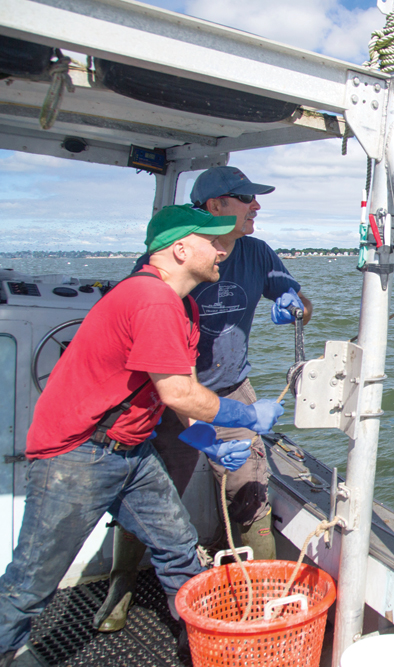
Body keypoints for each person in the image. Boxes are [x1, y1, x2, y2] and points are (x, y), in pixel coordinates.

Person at [0, 205, 285, 666]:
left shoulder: (184, 306)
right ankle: (8, 649)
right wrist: (248, 416)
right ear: (178, 249)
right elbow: (178, 392)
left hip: (132, 451)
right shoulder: (150, 300)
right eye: (213, 242)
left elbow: (176, 390)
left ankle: (202, 643)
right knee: (33, 577)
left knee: (177, 548)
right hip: (78, 454)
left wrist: (209, 442)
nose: (222, 251)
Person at [94, 166, 313, 632]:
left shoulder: (257, 252)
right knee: (149, 493)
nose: (257, 207)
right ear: (215, 206)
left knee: (251, 490)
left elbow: (302, 301)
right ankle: (122, 583)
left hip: (231, 389)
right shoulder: (172, 257)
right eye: (246, 199)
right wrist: (193, 425)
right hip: (168, 396)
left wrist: (295, 302)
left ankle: (257, 591)